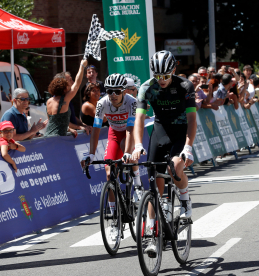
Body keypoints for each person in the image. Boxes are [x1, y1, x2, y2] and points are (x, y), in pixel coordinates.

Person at [132, 50, 196, 254]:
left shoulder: (185, 86)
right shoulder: (146, 88)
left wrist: (188, 147)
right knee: (154, 188)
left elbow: (193, 119)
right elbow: (140, 119)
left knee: (176, 167)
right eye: (158, 76)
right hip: (159, 132)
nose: (161, 80)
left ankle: (185, 200)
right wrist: (137, 145)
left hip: (180, 132)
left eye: (166, 76)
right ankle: (152, 235)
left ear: (173, 70)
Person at [80, 74, 142, 237]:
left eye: (116, 91)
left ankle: (137, 183)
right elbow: (96, 130)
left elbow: (129, 130)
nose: (113, 95)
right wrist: (91, 155)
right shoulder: (102, 104)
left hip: (129, 133)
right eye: (109, 91)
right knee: (109, 174)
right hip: (114, 134)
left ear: (123, 91)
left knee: (127, 151)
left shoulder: (132, 102)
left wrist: (128, 152)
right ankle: (115, 219)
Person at [45, 59, 87, 136]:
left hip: (48, 137)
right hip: (58, 140)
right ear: (64, 85)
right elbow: (77, 83)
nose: (73, 82)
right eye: (70, 80)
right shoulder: (64, 99)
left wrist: (68, 129)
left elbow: (54, 122)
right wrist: (82, 66)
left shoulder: (49, 101)